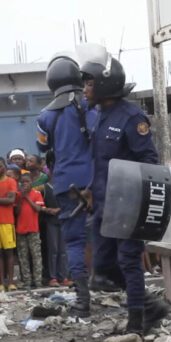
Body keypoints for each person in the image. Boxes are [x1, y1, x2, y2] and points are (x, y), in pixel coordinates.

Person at [81, 49, 168, 335]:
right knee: (103, 268)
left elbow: (149, 161)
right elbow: (100, 160)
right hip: (104, 205)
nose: (85, 88)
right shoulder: (98, 116)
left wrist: (138, 200)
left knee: (128, 261)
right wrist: (91, 191)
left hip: (129, 203)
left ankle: (137, 323)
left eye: (89, 82)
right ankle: (150, 305)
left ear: (105, 84)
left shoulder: (132, 117)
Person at [36, 54, 95, 317]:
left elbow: (42, 146)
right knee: (109, 235)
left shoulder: (44, 115)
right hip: (96, 181)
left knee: (73, 242)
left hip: (65, 185)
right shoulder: (91, 106)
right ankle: (130, 293)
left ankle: (83, 302)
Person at [42, 174, 71, 287]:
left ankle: (63, 276)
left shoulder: (65, 187)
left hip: (63, 221)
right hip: (51, 222)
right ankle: (52, 277)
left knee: (63, 251)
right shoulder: (45, 188)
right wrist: (48, 210)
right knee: (53, 250)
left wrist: (59, 209)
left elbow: (70, 203)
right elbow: (39, 203)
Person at [16, 173, 44, 289]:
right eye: (22, 182)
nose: (24, 184)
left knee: (36, 256)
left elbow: (38, 209)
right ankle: (27, 281)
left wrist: (27, 197)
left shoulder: (36, 194)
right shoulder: (18, 195)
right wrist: (21, 199)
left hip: (33, 230)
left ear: (31, 182)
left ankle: (38, 281)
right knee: (23, 257)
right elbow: (16, 212)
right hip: (21, 230)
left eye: (27, 181)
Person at [0, 158, 17, 292]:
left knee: (9, 253)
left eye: (0, 166)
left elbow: (11, 200)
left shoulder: (11, 181)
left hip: (7, 222)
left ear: (4, 167)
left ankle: (11, 282)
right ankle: (1, 283)